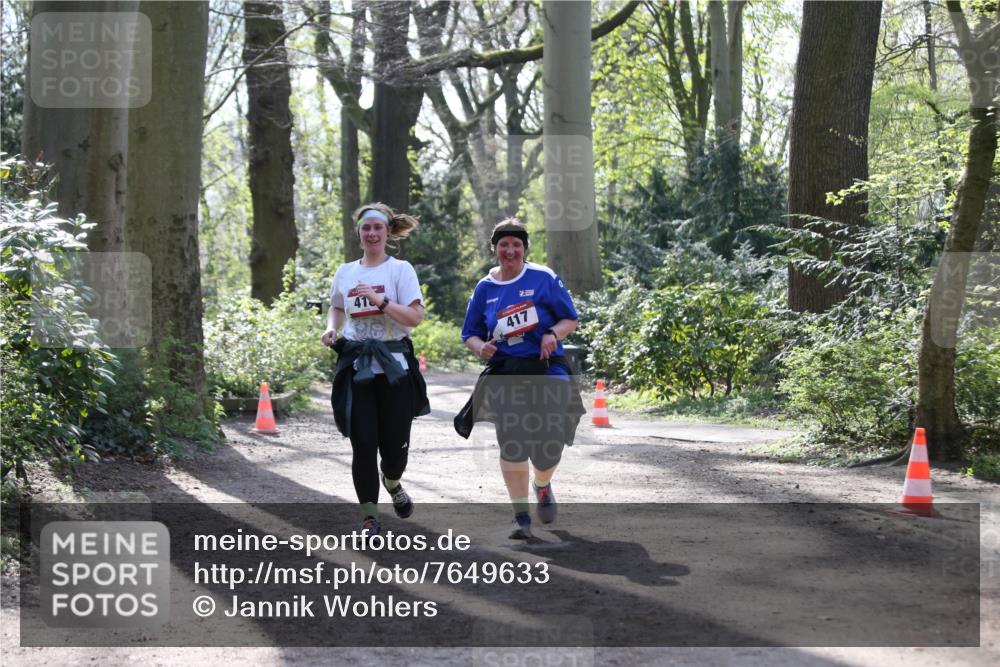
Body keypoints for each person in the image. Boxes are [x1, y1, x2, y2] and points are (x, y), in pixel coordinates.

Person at [456, 219, 585, 540]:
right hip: (505, 373)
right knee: (512, 445)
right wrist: (480, 347)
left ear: (525, 248)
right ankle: (521, 517)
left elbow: (571, 319)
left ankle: (542, 484)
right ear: (495, 248)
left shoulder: (543, 278)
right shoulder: (484, 288)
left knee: (550, 444)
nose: (510, 250)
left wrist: (552, 334)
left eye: (516, 244)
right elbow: (469, 333)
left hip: (547, 368)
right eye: (504, 244)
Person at [323, 203, 430, 536]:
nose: (371, 234)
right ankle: (370, 516)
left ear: (387, 233)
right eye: (365, 228)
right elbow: (337, 307)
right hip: (358, 369)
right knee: (363, 446)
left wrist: (381, 302)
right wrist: (331, 328)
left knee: (395, 448)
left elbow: (415, 318)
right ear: (359, 233)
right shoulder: (345, 272)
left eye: (377, 228)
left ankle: (393, 482)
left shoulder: (400, 270)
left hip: (395, 369)